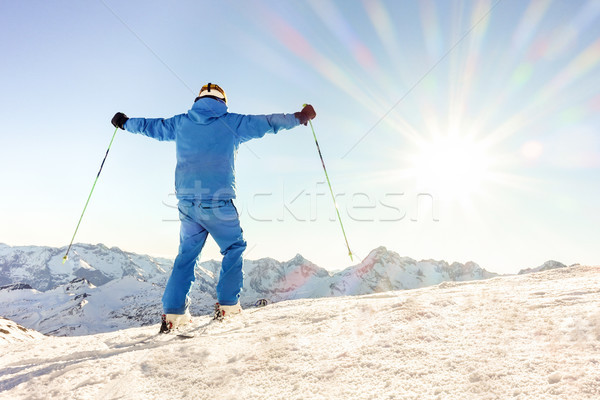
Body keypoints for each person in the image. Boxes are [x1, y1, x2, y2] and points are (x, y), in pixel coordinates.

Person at [111, 83, 316, 333]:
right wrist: (299, 117)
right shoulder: (233, 123)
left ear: (198, 100)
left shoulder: (181, 123)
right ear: (223, 101)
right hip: (218, 202)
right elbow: (268, 122)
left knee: (186, 256)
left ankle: (174, 313)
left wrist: (124, 122)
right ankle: (228, 306)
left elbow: (150, 127)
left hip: (187, 203)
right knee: (233, 247)